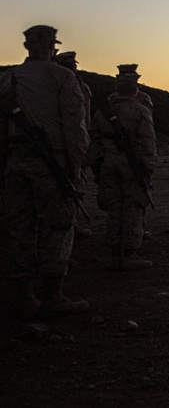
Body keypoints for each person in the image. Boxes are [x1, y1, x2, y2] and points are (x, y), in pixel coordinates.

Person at [0, 25, 89, 319]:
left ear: (27, 47)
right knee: (58, 226)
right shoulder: (63, 77)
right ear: (53, 47)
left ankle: (24, 296)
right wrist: (75, 167)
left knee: (19, 228)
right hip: (53, 166)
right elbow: (74, 126)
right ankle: (53, 294)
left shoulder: (8, 79)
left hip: (15, 162)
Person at [88, 71, 157, 269]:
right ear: (136, 89)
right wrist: (148, 167)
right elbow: (147, 142)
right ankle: (130, 252)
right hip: (131, 163)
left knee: (114, 207)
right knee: (133, 206)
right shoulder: (140, 110)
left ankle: (114, 251)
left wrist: (96, 165)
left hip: (108, 162)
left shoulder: (103, 112)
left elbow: (94, 139)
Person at [56, 51, 93, 238]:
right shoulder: (64, 85)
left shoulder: (81, 86)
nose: (73, 67)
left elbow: (86, 116)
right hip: (63, 143)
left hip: (75, 140)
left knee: (75, 184)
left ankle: (73, 223)